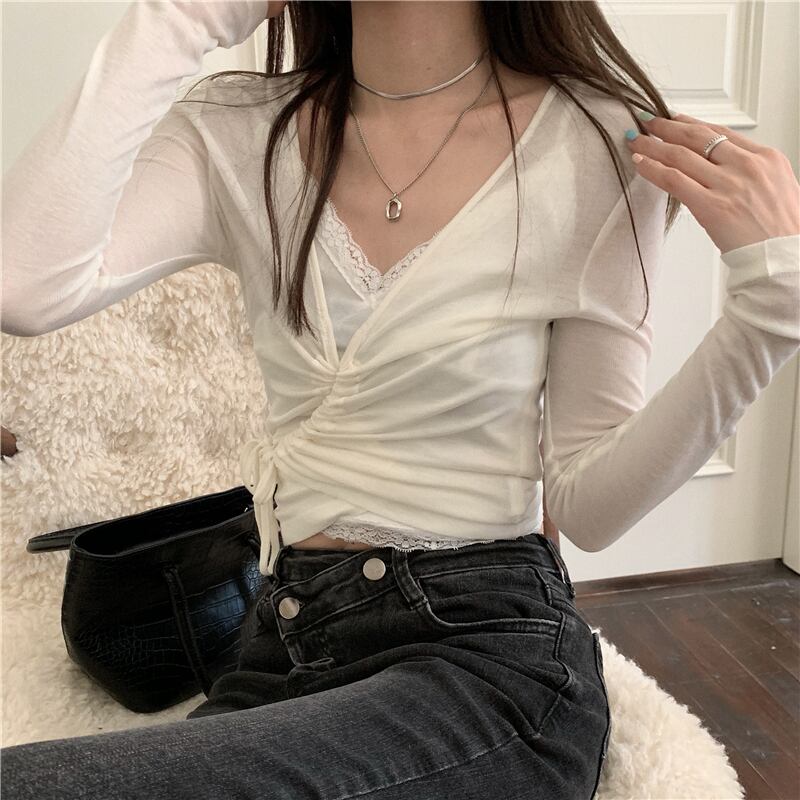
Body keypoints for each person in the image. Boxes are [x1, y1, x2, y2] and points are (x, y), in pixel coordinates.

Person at [1, 1, 798, 798]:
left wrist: (770, 312)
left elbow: (587, 505)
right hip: (283, 646)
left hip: (485, 659)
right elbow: (24, 286)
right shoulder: (238, 131)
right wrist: (185, 16)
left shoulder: (592, 139)